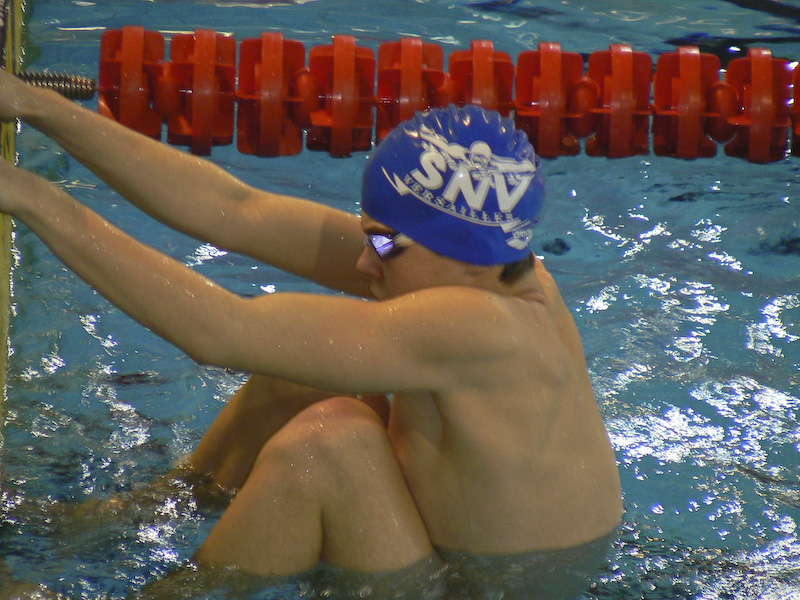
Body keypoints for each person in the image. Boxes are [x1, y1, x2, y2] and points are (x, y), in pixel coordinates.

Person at [0, 65, 623, 598]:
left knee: (330, 449)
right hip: (449, 561)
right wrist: (32, 104)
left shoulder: (483, 331)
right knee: (302, 376)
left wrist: (34, 199)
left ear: (465, 252)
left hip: (474, 589)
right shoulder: (488, 268)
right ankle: (144, 513)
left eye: (385, 244)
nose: (364, 262)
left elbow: (219, 330)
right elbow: (238, 212)